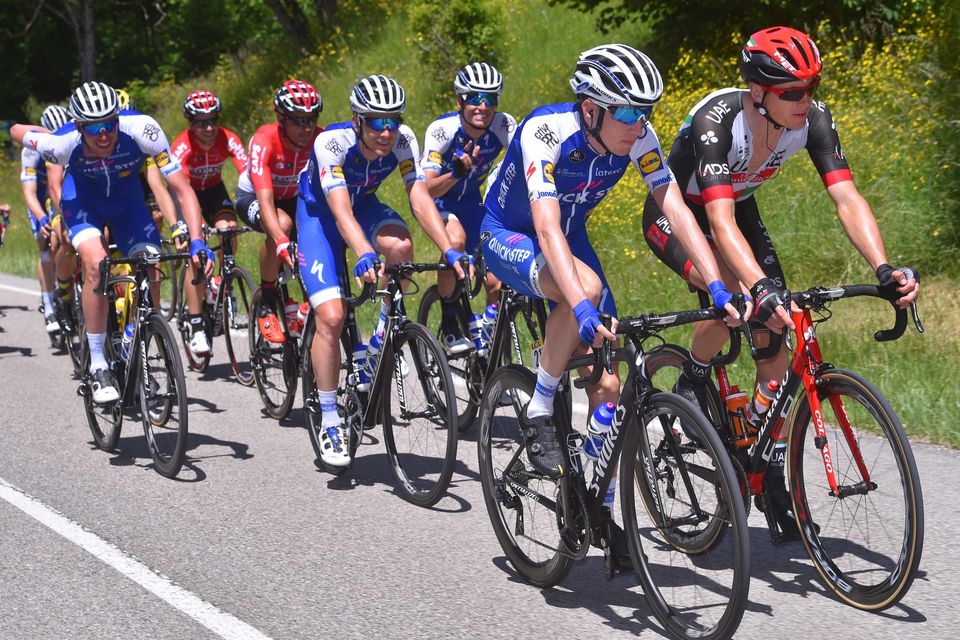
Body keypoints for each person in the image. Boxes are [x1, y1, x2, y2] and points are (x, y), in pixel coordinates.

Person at [640, 26, 920, 536]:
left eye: (811, 87)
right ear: (758, 91)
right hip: (678, 216)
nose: (805, 101)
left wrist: (884, 269)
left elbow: (847, 198)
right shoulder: (716, 122)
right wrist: (756, 288)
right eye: (792, 92)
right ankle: (691, 380)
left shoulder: (811, 119)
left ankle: (764, 459)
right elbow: (717, 226)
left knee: (776, 338)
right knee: (737, 302)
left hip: (737, 207)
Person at [481, 44, 738, 479]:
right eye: (625, 112)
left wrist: (716, 286)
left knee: (609, 385)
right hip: (510, 233)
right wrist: (580, 305)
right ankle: (540, 406)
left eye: (645, 112)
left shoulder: (640, 138)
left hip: (571, 238)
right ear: (590, 109)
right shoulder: (546, 131)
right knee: (585, 290)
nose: (637, 124)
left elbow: (675, 210)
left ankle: (591, 495)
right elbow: (545, 227)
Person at [296, 74, 467, 467]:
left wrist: (450, 252)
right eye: (376, 121)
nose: (386, 131)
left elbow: (419, 197)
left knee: (401, 247)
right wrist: (362, 252)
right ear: (358, 121)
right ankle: (329, 418)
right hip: (319, 217)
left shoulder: (404, 140)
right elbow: (338, 210)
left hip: (365, 206)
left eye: (393, 120)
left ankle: (378, 342)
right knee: (332, 316)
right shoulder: (331, 143)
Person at [11, 81, 213, 404]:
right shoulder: (61, 144)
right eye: (94, 128)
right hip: (83, 205)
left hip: (127, 206)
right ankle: (99, 364)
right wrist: (42, 132)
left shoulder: (144, 130)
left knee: (152, 264)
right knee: (97, 264)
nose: (104, 134)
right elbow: (17, 130)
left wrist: (197, 241)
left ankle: (132, 335)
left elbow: (182, 189)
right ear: (79, 126)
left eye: (110, 124)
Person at [421, 62, 517, 353]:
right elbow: (424, 190)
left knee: (499, 278)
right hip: (442, 200)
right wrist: (455, 174)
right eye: (474, 98)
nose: (483, 106)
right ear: (460, 101)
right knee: (457, 240)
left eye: (490, 98)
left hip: (474, 202)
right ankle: (449, 320)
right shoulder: (442, 130)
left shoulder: (503, 125)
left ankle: (488, 335)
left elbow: (526, 161)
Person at [235, 80, 323, 344]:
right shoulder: (264, 140)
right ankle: (267, 300)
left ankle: (309, 302)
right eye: (298, 120)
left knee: (314, 235)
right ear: (281, 118)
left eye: (311, 119)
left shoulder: (321, 138)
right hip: (254, 196)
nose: (306, 128)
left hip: (294, 197)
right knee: (281, 225)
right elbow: (265, 197)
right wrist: (282, 242)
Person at [171, 90, 248, 355]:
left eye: (213, 120)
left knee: (229, 229)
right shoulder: (182, 146)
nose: (209, 127)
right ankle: (196, 325)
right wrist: (197, 224)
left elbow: (247, 173)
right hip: (187, 195)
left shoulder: (228, 138)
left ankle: (222, 279)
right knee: (195, 254)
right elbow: (180, 190)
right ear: (190, 124)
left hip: (214, 191)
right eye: (201, 123)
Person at [19, 105, 71, 334]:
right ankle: (49, 304)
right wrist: (41, 219)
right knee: (47, 246)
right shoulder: (31, 149)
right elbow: (29, 193)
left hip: (61, 191)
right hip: (40, 197)